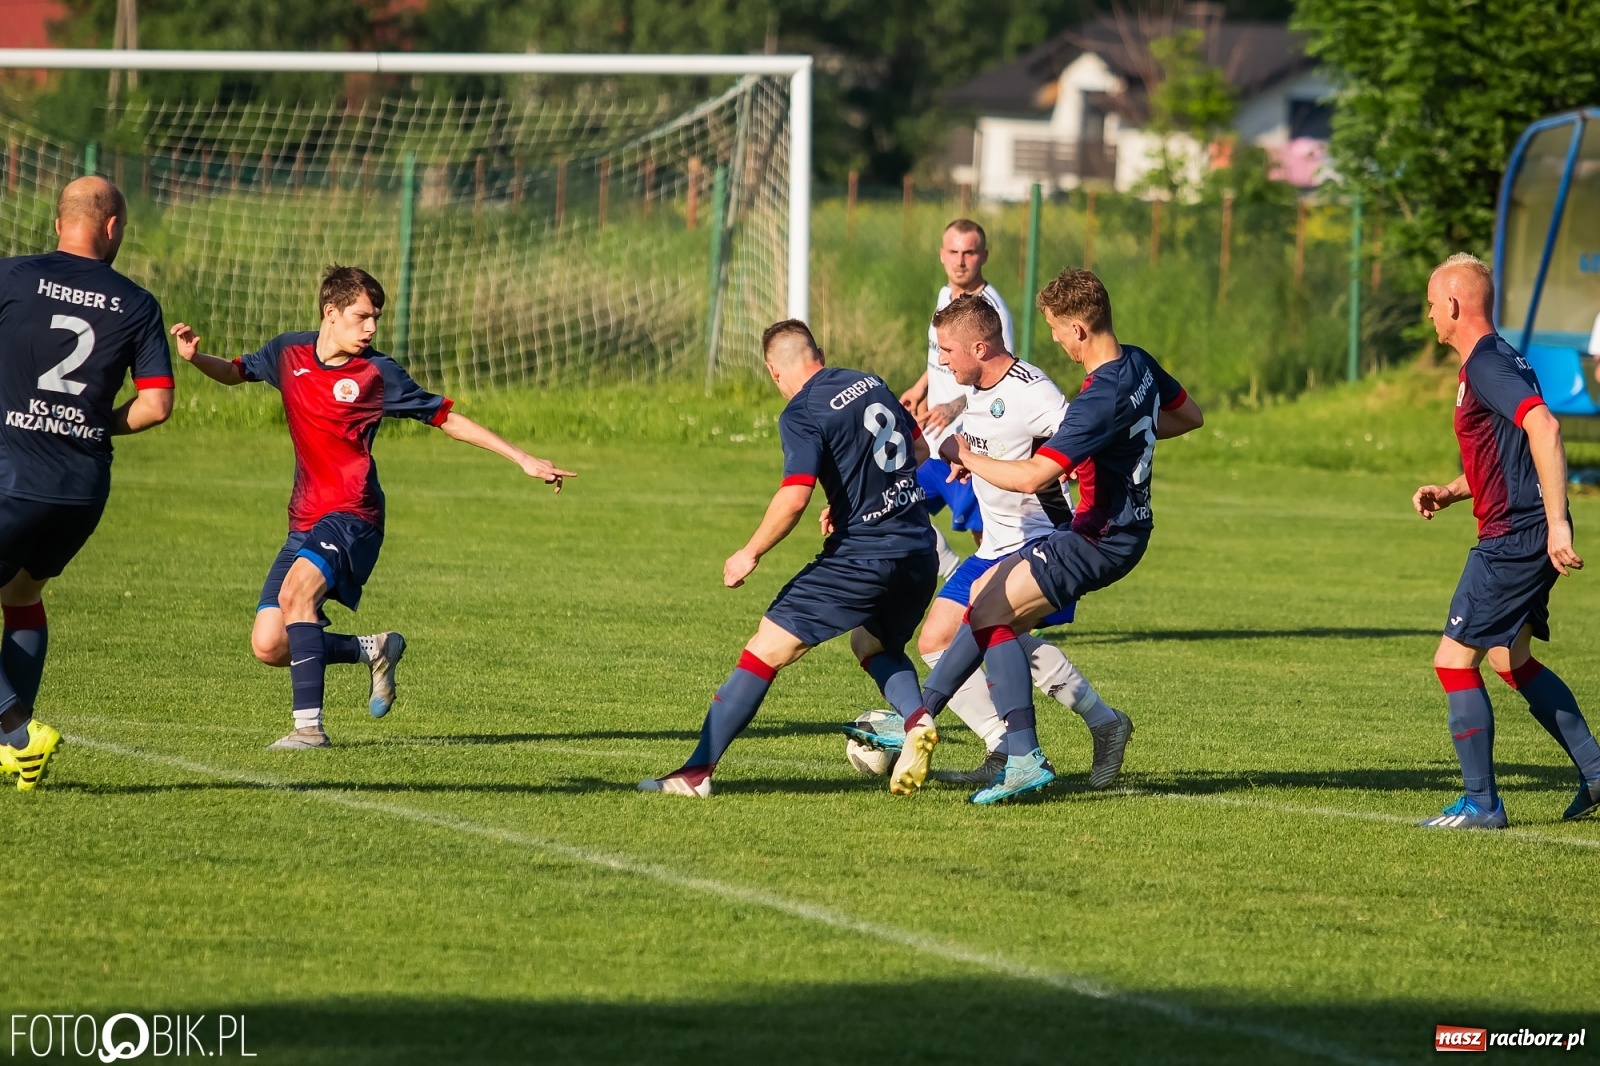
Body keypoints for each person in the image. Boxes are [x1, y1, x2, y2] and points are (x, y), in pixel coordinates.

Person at [171, 265, 574, 749]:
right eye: (362, 317)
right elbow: (237, 372)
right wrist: (197, 359)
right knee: (270, 644)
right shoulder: (288, 352)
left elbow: (446, 418)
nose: (372, 329)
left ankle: (308, 730)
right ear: (330, 312)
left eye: (376, 318)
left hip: (354, 514)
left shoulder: (377, 374)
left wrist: (522, 458)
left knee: (297, 596)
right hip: (305, 518)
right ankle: (375, 648)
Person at [888, 268, 1203, 804]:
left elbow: (1035, 475)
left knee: (989, 613)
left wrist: (964, 454)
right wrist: (1129, 433)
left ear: (1079, 329)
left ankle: (1020, 756)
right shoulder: (1139, 364)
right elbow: (1186, 417)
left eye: (1057, 328)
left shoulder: (1095, 401)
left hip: (1099, 535)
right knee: (988, 611)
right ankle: (935, 725)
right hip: (1122, 528)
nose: (1054, 338)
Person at [844, 294, 1134, 789]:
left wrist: (1074, 494)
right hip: (993, 547)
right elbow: (997, 439)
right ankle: (1020, 741)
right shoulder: (976, 385)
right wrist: (968, 457)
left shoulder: (1034, 392)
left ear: (979, 348)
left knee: (992, 627)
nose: (940, 361)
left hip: (1040, 541)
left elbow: (1082, 441)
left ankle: (1024, 744)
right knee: (948, 639)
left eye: (947, 352)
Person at [640, 320, 937, 797]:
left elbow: (793, 497)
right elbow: (918, 451)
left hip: (862, 559)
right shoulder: (872, 382)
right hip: (919, 552)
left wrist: (749, 551)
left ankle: (694, 774)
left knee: (764, 649)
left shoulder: (801, 412)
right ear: (818, 353)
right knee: (873, 647)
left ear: (774, 371)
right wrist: (846, 503)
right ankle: (917, 720)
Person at [1412, 253, 1600, 827]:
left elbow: (1544, 426)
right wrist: (1452, 489)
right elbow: (1509, 453)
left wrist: (1557, 523)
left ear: (1452, 304)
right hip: (1523, 529)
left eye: (1430, 305)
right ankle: (1596, 772)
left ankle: (1482, 803)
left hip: (1515, 538)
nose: (1429, 318)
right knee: (1509, 657)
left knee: (1452, 660)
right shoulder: (1496, 360)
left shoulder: (1489, 363)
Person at [0, 177, 175, 790]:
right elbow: (155, 406)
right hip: (81, 488)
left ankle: (16, 731)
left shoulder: (12, 276)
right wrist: (87, 423)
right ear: (112, 227)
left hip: (11, 478)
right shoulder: (138, 303)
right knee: (20, 597)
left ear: (58, 224)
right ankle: (17, 756)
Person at [898, 220, 1014, 575]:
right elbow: (943, 354)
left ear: (984, 256)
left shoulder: (989, 312)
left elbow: (999, 377)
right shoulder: (945, 298)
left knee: (990, 539)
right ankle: (950, 572)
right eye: (953, 251)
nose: (960, 261)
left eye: (969, 252)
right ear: (942, 254)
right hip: (932, 446)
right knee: (896, 511)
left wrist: (954, 405)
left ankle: (1010, 610)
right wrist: (921, 388)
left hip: (968, 452)